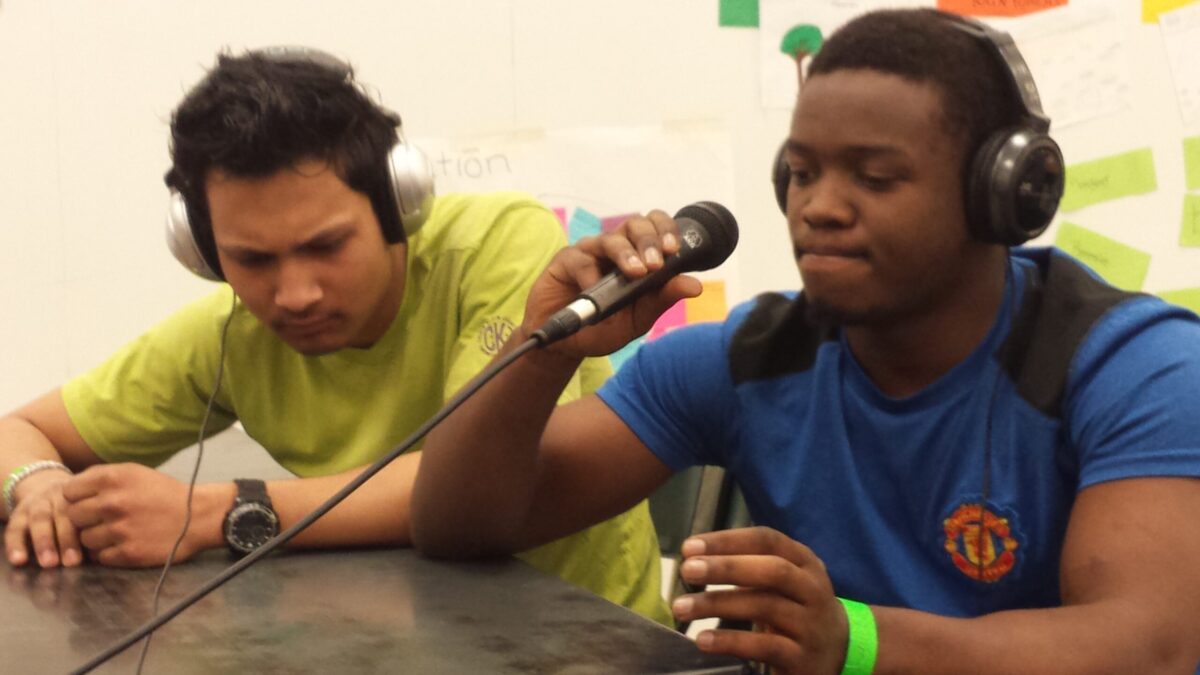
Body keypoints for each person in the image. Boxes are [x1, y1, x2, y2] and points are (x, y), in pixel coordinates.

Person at [410, 8, 1200, 673]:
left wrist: (854, 638)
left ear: (1001, 195)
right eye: (802, 171)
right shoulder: (745, 356)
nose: (818, 206)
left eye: (874, 177)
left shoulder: (1133, 367)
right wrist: (542, 353)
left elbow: (1151, 644)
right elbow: (459, 524)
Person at [0, 47, 670, 626]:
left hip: (586, 643)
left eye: (326, 245)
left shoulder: (500, 247)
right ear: (204, 253)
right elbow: (21, 429)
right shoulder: (229, 333)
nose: (294, 293)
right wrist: (41, 487)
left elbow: (464, 482)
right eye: (253, 260)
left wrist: (219, 511)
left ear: (397, 204)